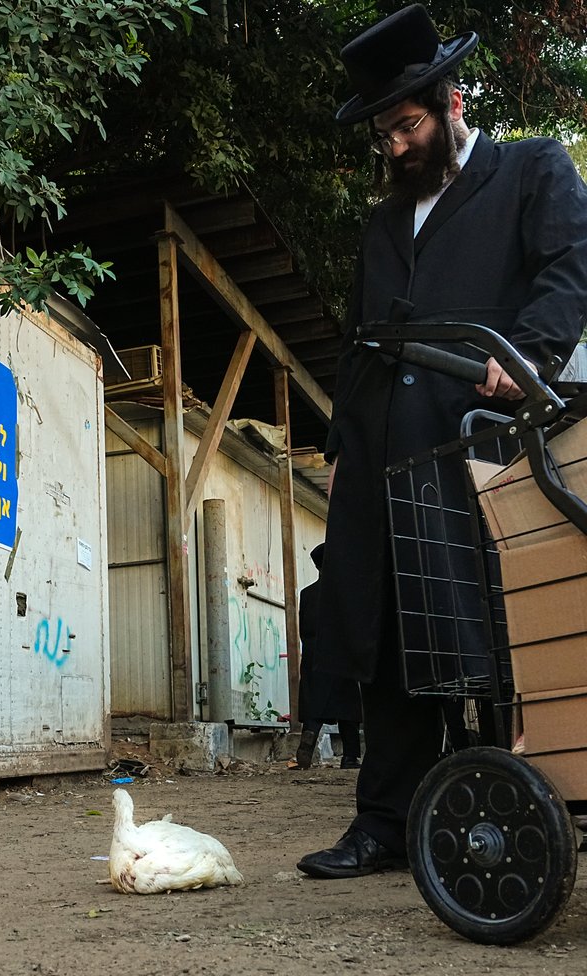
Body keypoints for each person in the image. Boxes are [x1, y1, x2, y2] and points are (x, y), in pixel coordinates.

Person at [298, 4, 587, 879]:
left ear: (452, 102)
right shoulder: (384, 224)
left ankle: (518, 810)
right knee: (386, 629)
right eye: (384, 132)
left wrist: (529, 355)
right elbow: (360, 334)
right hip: (387, 456)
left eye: (408, 125)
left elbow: (571, 266)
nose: (395, 147)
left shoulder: (532, 168)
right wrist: (343, 435)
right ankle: (386, 823)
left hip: (484, 443)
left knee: (498, 629)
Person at [288, 544, 362, 771]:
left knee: (315, 705)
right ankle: (349, 757)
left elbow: (304, 630)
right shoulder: (346, 593)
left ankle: (307, 747)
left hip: (314, 655)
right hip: (341, 654)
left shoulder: (307, 594)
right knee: (347, 708)